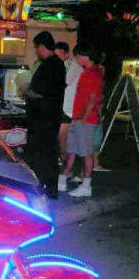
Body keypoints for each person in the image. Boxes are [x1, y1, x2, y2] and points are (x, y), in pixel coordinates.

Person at [58, 44, 105, 198]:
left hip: (85, 120)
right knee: (71, 150)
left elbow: (91, 100)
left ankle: (86, 186)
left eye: (77, 56)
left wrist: (82, 119)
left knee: (86, 153)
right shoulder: (92, 73)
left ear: (83, 56)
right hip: (79, 119)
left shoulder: (91, 74)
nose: (76, 59)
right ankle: (63, 180)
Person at [23, 31, 66, 199]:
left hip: (43, 118)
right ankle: (49, 186)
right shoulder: (57, 64)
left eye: (36, 48)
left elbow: (40, 91)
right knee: (48, 152)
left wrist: (27, 91)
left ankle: (42, 185)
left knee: (41, 153)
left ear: (42, 47)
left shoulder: (50, 65)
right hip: (50, 117)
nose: (36, 52)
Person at [55, 42, 84, 159]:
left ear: (65, 53)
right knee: (62, 136)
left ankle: (65, 160)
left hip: (69, 108)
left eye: (58, 54)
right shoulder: (63, 65)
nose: (56, 57)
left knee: (63, 136)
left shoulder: (73, 66)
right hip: (64, 107)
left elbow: (62, 85)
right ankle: (65, 159)